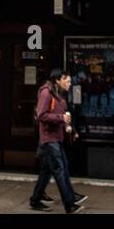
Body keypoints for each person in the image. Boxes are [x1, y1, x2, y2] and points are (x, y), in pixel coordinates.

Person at [29, 69, 87, 213]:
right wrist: (61, 119)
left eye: (70, 81)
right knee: (61, 169)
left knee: (48, 170)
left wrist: (70, 128)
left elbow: (62, 116)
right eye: (67, 81)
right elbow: (41, 115)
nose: (69, 84)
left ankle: (35, 199)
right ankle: (69, 204)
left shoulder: (59, 95)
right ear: (57, 80)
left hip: (57, 137)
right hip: (49, 139)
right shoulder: (46, 93)